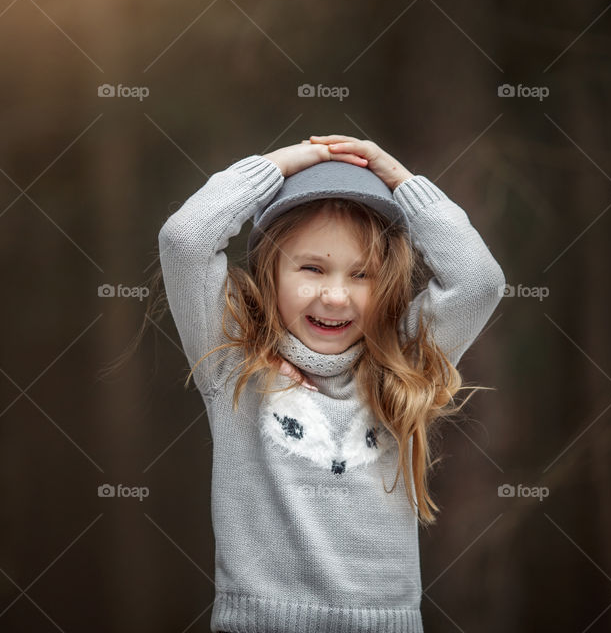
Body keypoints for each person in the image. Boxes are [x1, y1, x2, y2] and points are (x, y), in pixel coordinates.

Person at [154, 134, 506, 632]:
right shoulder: (235, 359)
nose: (336, 296)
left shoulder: (399, 361)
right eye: (312, 268)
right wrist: (279, 166)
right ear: (270, 271)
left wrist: (401, 183)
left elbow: (479, 281)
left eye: (361, 274)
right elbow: (185, 238)